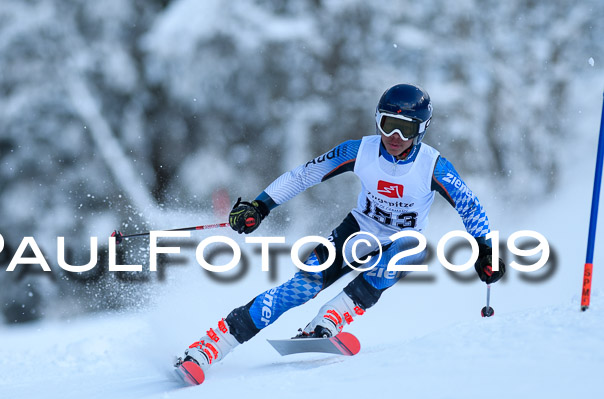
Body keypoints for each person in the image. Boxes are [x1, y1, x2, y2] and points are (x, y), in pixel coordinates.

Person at [175, 83, 505, 371]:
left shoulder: (433, 166)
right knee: (299, 290)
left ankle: (328, 321)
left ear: (421, 129)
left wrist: (484, 250)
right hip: (356, 231)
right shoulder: (359, 151)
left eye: (405, 129)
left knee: (409, 252)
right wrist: (261, 205)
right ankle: (209, 348)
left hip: (403, 242)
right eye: (388, 125)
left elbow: (470, 206)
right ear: (378, 120)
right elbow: (304, 175)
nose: (394, 137)